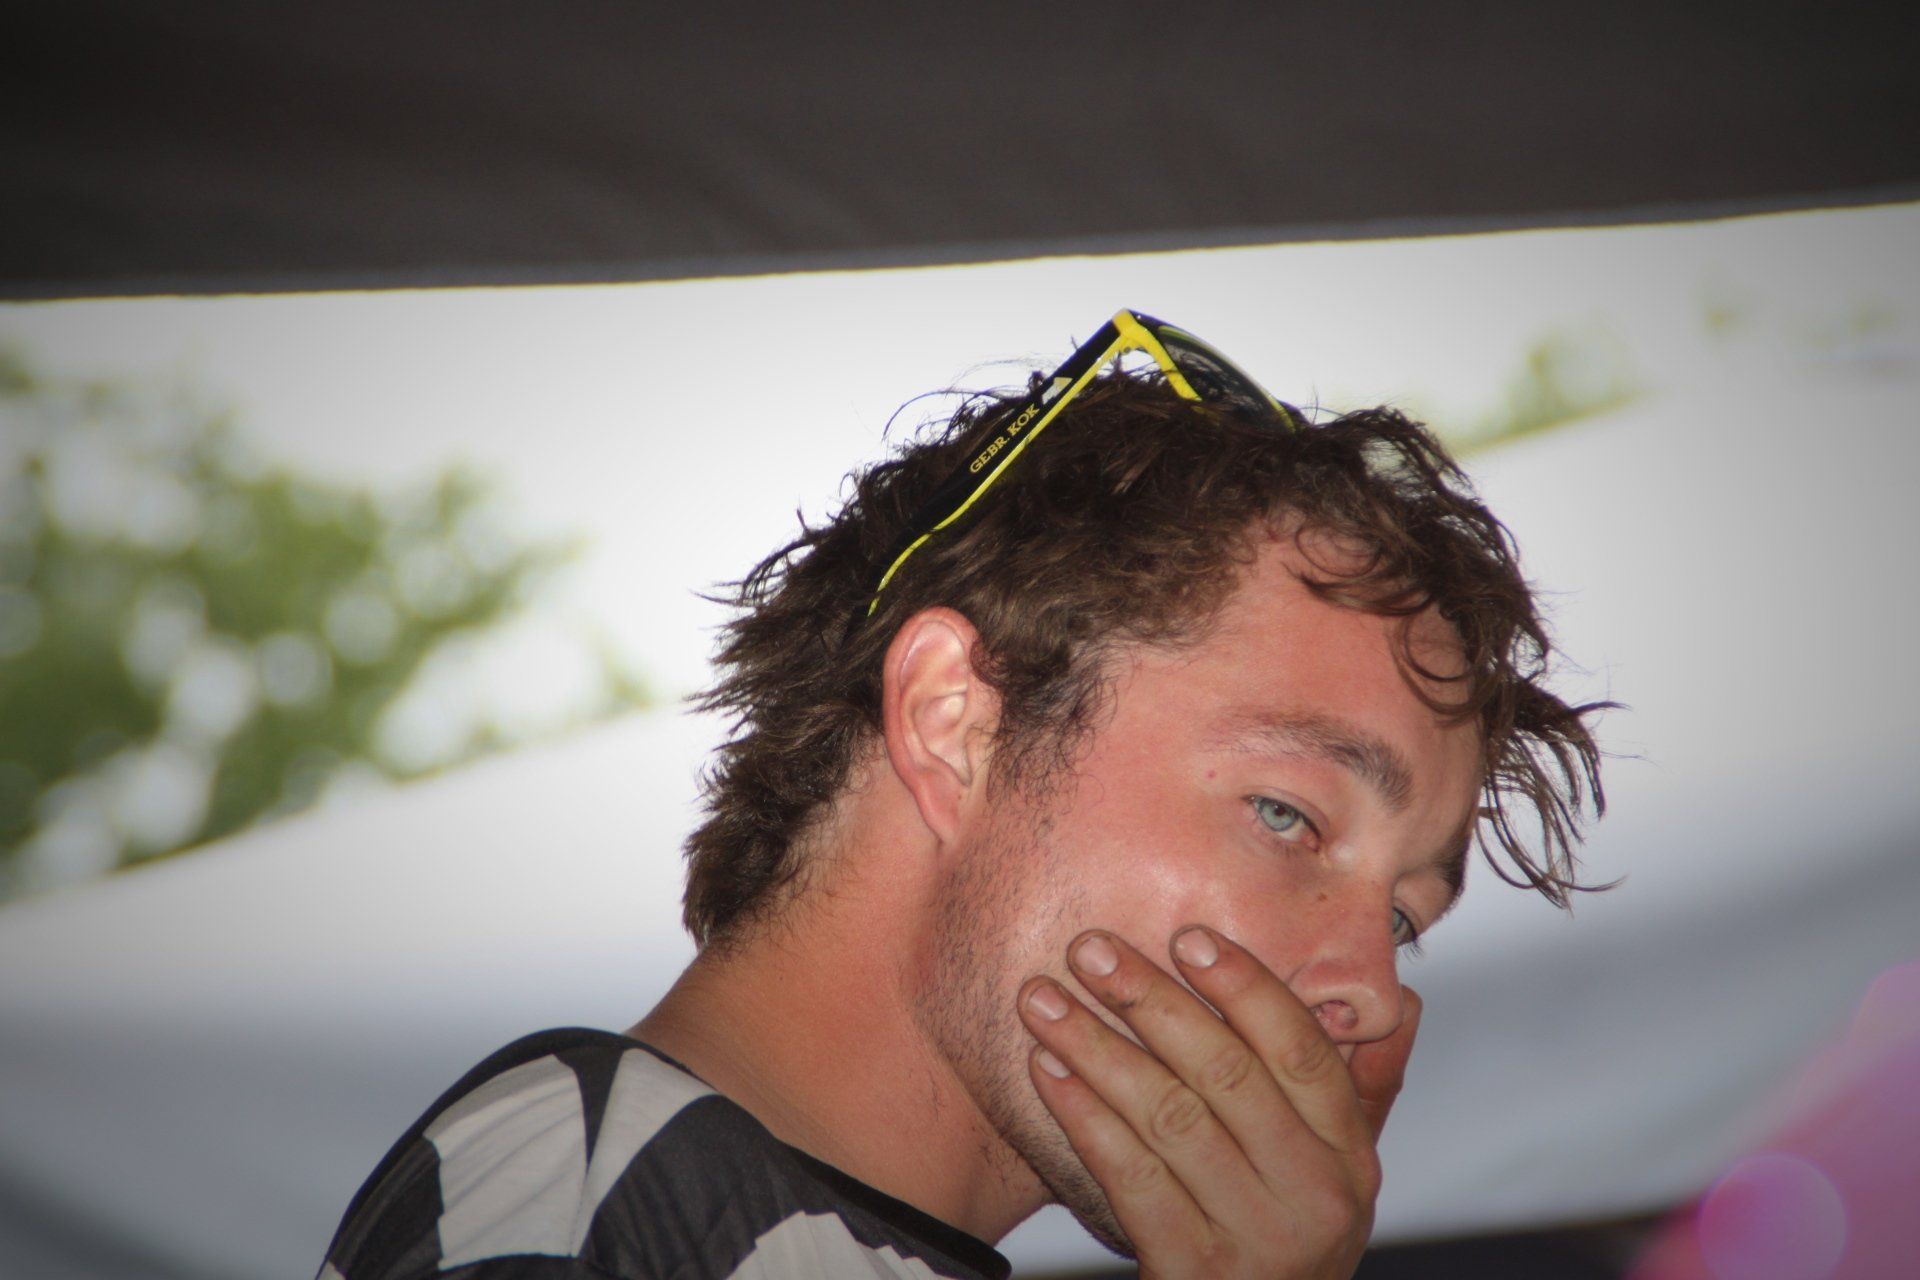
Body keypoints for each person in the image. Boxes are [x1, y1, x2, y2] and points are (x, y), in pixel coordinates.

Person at [316, 312, 1606, 1280]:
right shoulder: (596, 1204)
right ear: (956, 721)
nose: (1371, 991)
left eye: (1405, 919)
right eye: (1289, 815)